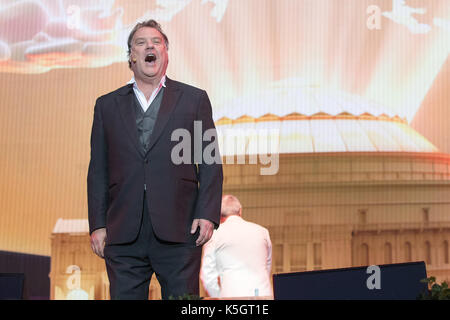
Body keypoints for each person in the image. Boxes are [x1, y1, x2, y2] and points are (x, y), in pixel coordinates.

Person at [87, 19, 223, 300]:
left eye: (157, 42)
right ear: (131, 57)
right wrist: (98, 224)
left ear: (166, 54)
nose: (150, 45)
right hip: (123, 232)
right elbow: (98, 170)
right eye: (140, 42)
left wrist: (207, 213)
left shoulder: (193, 99)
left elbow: (209, 162)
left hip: (180, 229)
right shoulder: (107, 105)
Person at [200, 195, 273, 298]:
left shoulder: (214, 235)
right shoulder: (263, 232)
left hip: (232, 296)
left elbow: (207, 276)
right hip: (263, 294)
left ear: (219, 215)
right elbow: (267, 266)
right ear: (240, 211)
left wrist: (219, 296)